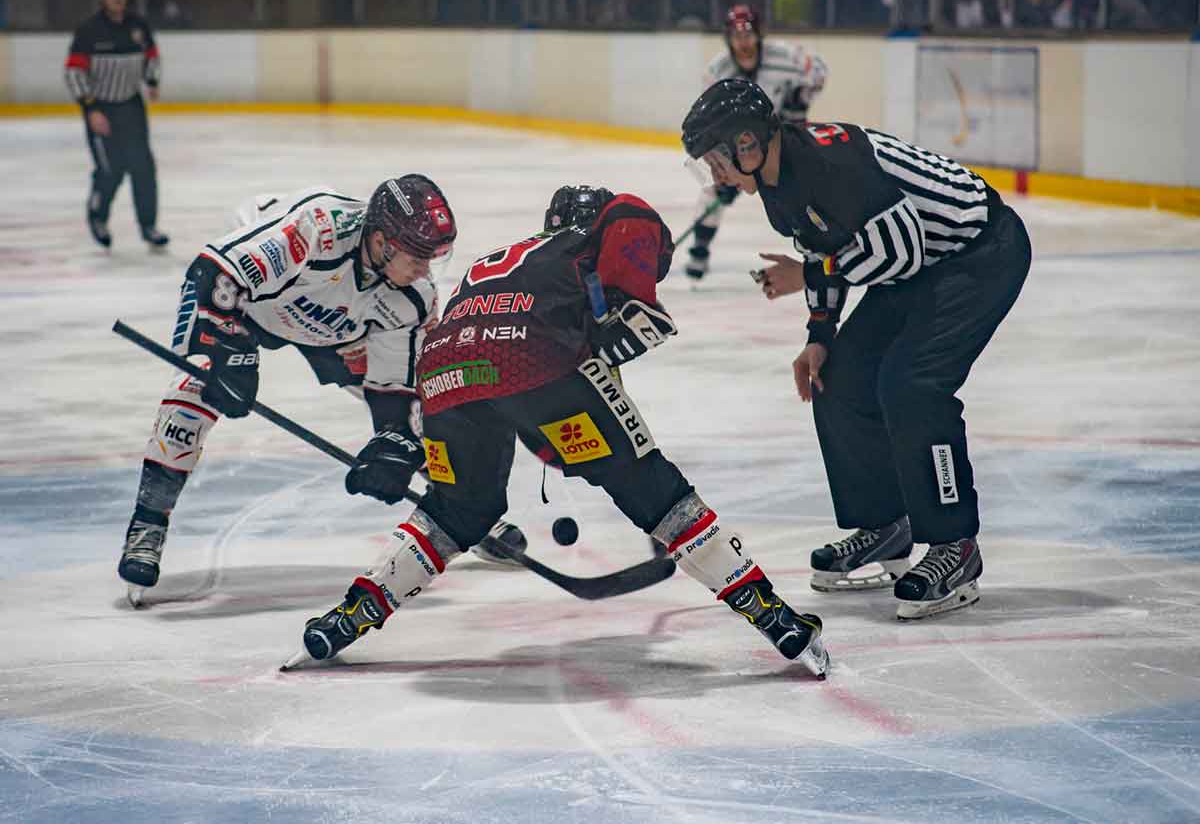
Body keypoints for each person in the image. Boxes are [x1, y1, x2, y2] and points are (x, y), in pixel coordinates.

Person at [295, 186, 830, 677]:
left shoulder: (498, 265)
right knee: (656, 492)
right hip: (531, 358)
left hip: (442, 373)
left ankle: (351, 614)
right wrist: (633, 298)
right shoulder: (586, 238)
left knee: (455, 511)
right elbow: (632, 214)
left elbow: (526, 407)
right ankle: (773, 616)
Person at [681, 80, 1031, 620]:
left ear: (747, 145)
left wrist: (806, 275)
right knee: (838, 381)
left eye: (716, 159)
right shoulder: (777, 187)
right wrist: (820, 336)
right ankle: (887, 525)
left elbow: (901, 252)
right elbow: (836, 252)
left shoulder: (834, 164)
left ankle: (955, 544)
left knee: (912, 385)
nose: (715, 173)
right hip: (922, 267)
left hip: (979, 254)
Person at [117, 176, 473, 596]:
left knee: (427, 416)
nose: (425, 269)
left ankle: (461, 506)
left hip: (335, 329)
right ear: (382, 242)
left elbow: (395, 388)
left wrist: (394, 441)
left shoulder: (412, 295)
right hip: (252, 306)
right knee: (193, 392)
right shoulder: (317, 226)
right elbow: (213, 273)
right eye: (418, 257)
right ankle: (149, 521)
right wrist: (221, 349)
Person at [684, 4, 827, 282]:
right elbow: (712, 120)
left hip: (783, 139)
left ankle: (822, 247)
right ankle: (700, 248)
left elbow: (819, 72)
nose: (744, 43)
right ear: (728, 39)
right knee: (714, 190)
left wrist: (801, 97)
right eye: (737, 37)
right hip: (742, 143)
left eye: (748, 35)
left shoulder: (786, 56)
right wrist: (726, 170)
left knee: (802, 190)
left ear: (759, 35)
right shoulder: (717, 71)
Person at [63, 0, 167, 250]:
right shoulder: (89, 31)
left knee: (143, 167)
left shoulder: (138, 25)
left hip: (132, 106)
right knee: (111, 170)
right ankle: (97, 217)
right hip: (101, 109)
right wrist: (91, 108)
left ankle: (148, 226)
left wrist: (152, 80)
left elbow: (152, 56)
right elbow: (74, 73)